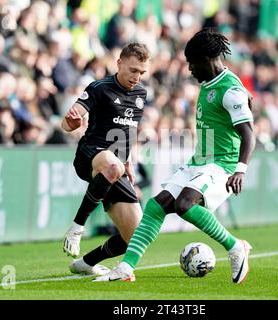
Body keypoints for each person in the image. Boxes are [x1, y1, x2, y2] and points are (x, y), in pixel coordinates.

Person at [94, 28, 256, 284]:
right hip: (199, 162)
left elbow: (248, 133)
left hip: (221, 165)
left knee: (184, 205)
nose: (190, 70)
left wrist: (240, 169)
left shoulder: (230, 90)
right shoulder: (211, 82)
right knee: (156, 205)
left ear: (206, 59)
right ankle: (126, 268)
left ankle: (235, 247)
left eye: (192, 64)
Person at [61, 42, 150, 276]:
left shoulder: (141, 95)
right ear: (119, 63)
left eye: (142, 72)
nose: (137, 77)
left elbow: (129, 131)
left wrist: (129, 162)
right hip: (89, 155)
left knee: (137, 237)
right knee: (112, 164)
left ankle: (86, 263)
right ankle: (77, 227)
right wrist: (72, 123)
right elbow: (69, 119)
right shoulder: (99, 87)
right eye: (133, 70)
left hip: (118, 166)